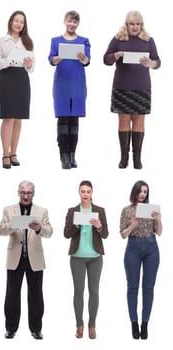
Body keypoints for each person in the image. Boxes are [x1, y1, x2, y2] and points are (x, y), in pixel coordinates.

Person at [104, 10, 161, 170]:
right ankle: (124, 158)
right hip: (122, 86)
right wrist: (115, 55)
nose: (135, 27)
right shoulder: (118, 39)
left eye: (138, 24)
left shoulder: (148, 40)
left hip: (141, 86)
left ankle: (137, 158)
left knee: (139, 120)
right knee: (123, 119)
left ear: (141, 25)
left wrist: (151, 64)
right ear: (126, 24)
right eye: (132, 24)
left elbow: (158, 61)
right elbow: (106, 59)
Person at [0, 180, 53, 340]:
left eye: (29, 193)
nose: (26, 196)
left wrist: (39, 228)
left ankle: (36, 329)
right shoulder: (9, 210)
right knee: (12, 295)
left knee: (36, 295)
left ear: (33, 194)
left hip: (35, 259)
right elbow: (0, 230)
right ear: (18, 193)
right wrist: (14, 225)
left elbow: (49, 232)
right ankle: (10, 328)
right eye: (23, 192)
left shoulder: (42, 211)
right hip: (15, 258)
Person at [63, 180, 108, 339]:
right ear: (79, 193)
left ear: (92, 193)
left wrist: (99, 227)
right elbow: (66, 234)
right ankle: (79, 325)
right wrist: (76, 225)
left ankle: (92, 325)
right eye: (83, 191)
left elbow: (106, 234)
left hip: (95, 257)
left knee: (94, 291)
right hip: (77, 257)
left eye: (88, 191)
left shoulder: (99, 211)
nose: (85, 194)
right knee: (78, 291)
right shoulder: (72, 211)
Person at [120, 180, 162, 339]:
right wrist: (132, 225)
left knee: (149, 288)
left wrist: (158, 219)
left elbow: (159, 232)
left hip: (152, 247)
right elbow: (123, 234)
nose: (143, 194)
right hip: (133, 248)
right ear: (135, 192)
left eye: (145, 191)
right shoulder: (127, 210)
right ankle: (134, 323)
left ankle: (145, 324)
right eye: (140, 191)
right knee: (132, 287)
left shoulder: (151, 210)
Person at [49, 11, 90, 169]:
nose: (72, 24)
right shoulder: (56, 41)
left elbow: (87, 61)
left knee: (75, 119)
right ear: (65, 21)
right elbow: (51, 59)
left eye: (75, 22)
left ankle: (72, 154)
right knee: (63, 118)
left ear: (78, 24)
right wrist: (56, 58)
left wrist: (84, 59)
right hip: (62, 83)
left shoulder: (84, 41)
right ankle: (63, 155)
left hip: (78, 84)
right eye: (69, 21)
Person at [0, 10, 34, 169]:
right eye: (16, 20)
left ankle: (14, 152)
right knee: (8, 117)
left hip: (22, 79)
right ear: (10, 22)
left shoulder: (28, 41)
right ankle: (5, 153)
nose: (18, 24)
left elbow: (31, 67)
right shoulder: (1, 40)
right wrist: (10, 59)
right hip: (6, 78)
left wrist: (29, 64)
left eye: (22, 22)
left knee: (18, 118)